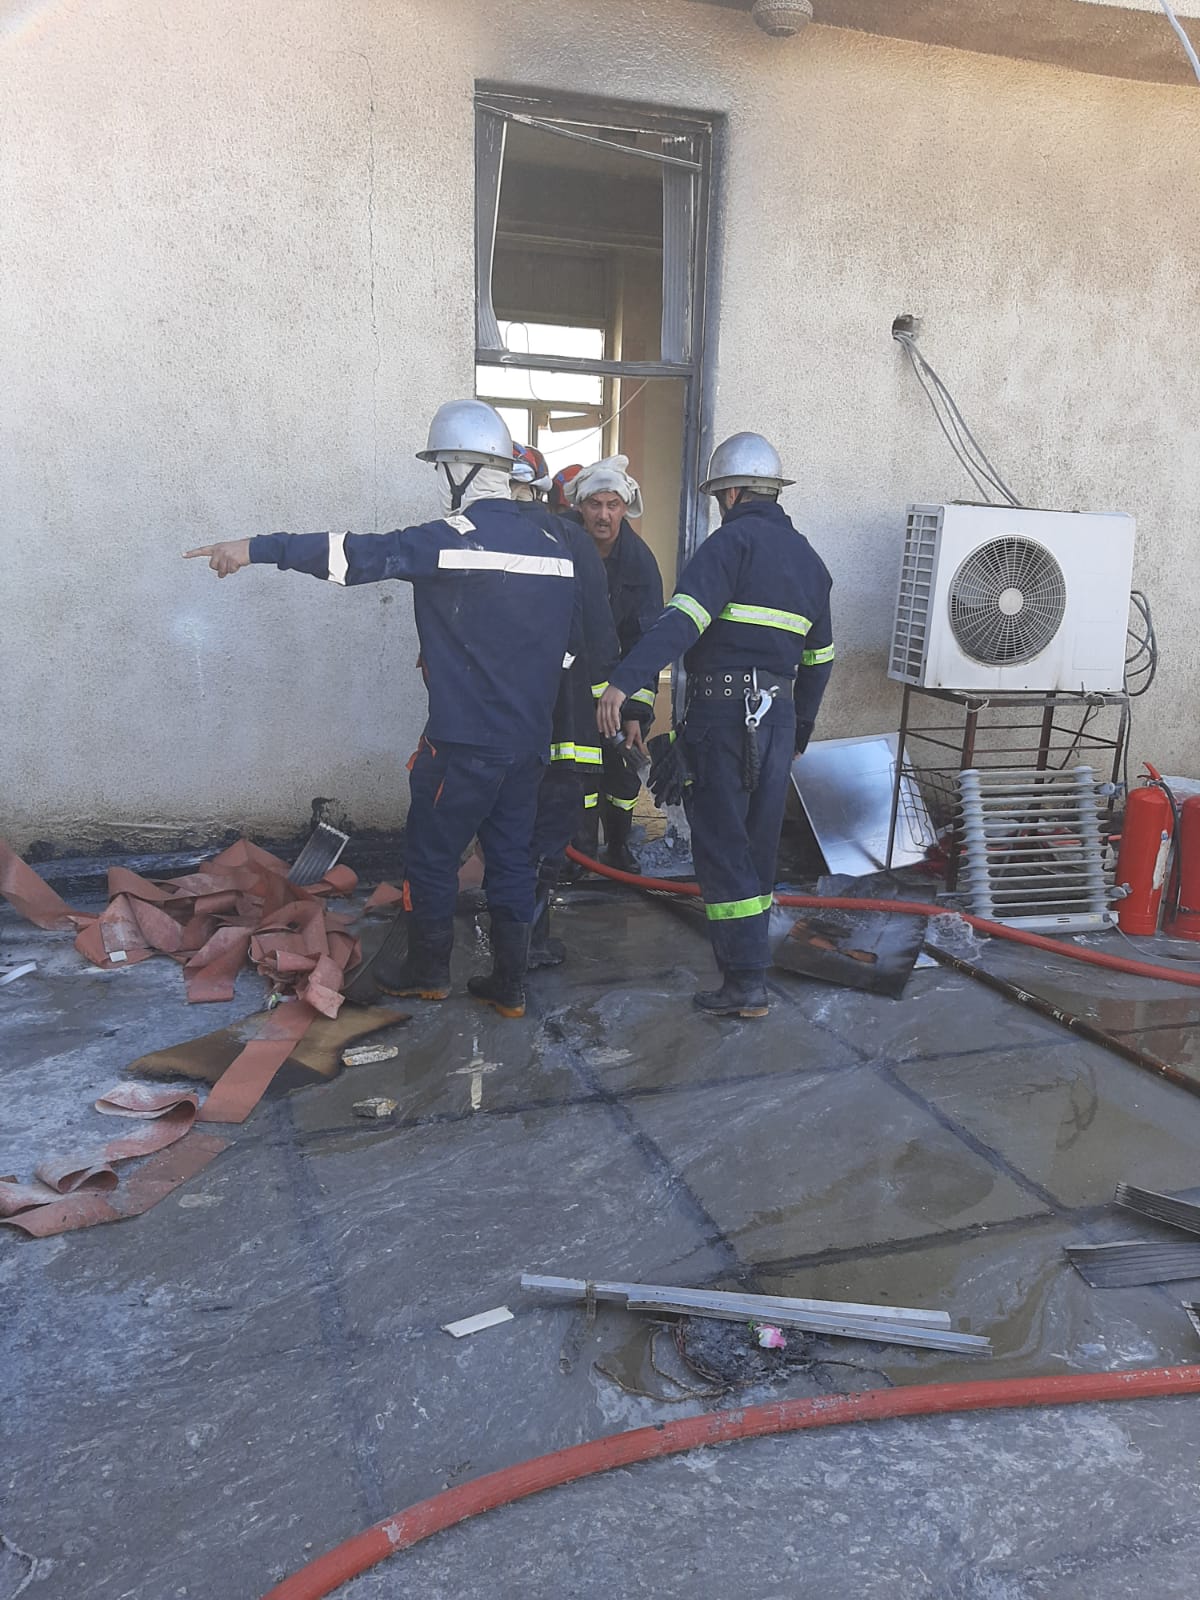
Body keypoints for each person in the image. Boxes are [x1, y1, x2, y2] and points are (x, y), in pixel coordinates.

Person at [183, 400, 577, 1020]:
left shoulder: (450, 541)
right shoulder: (556, 546)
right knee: (511, 860)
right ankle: (510, 985)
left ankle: (427, 974)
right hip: (528, 744)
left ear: (462, 470)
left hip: (463, 745)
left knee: (433, 858)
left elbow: (351, 556)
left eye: (443, 469)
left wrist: (253, 547)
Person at [597, 432, 834, 1019]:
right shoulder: (810, 562)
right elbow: (820, 659)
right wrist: (799, 733)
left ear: (729, 495)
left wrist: (625, 681)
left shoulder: (729, 546)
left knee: (723, 847)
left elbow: (680, 623)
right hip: (777, 721)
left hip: (724, 719)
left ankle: (745, 984)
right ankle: (748, 971)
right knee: (756, 847)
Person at [510, 445, 619, 965]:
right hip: (565, 723)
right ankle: (527, 944)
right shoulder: (572, 541)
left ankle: (516, 945)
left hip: (503, 720)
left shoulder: (477, 535)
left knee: (511, 830)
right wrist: (604, 703)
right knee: (545, 834)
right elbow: (599, 634)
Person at [567, 455, 664, 871]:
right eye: (595, 504)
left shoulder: (640, 564)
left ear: (626, 508)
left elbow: (647, 642)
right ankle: (580, 854)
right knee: (576, 772)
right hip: (571, 688)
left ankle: (619, 847)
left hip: (621, 691)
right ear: (580, 507)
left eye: (613, 505)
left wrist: (635, 711)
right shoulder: (561, 544)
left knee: (622, 772)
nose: (603, 515)